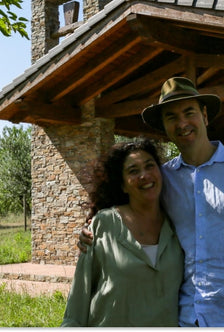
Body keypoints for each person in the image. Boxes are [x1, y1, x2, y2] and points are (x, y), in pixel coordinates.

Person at [78, 77, 224, 327]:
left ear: (205, 116)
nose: (182, 123)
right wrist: (94, 226)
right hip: (193, 318)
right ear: (164, 126)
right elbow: (133, 208)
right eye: (171, 116)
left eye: (189, 112)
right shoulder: (164, 179)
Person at [61, 138, 184, 327]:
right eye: (133, 171)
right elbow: (79, 298)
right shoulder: (104, 224)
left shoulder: (178, 226)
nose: (144, 175)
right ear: (123, 185)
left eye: (149, 166)